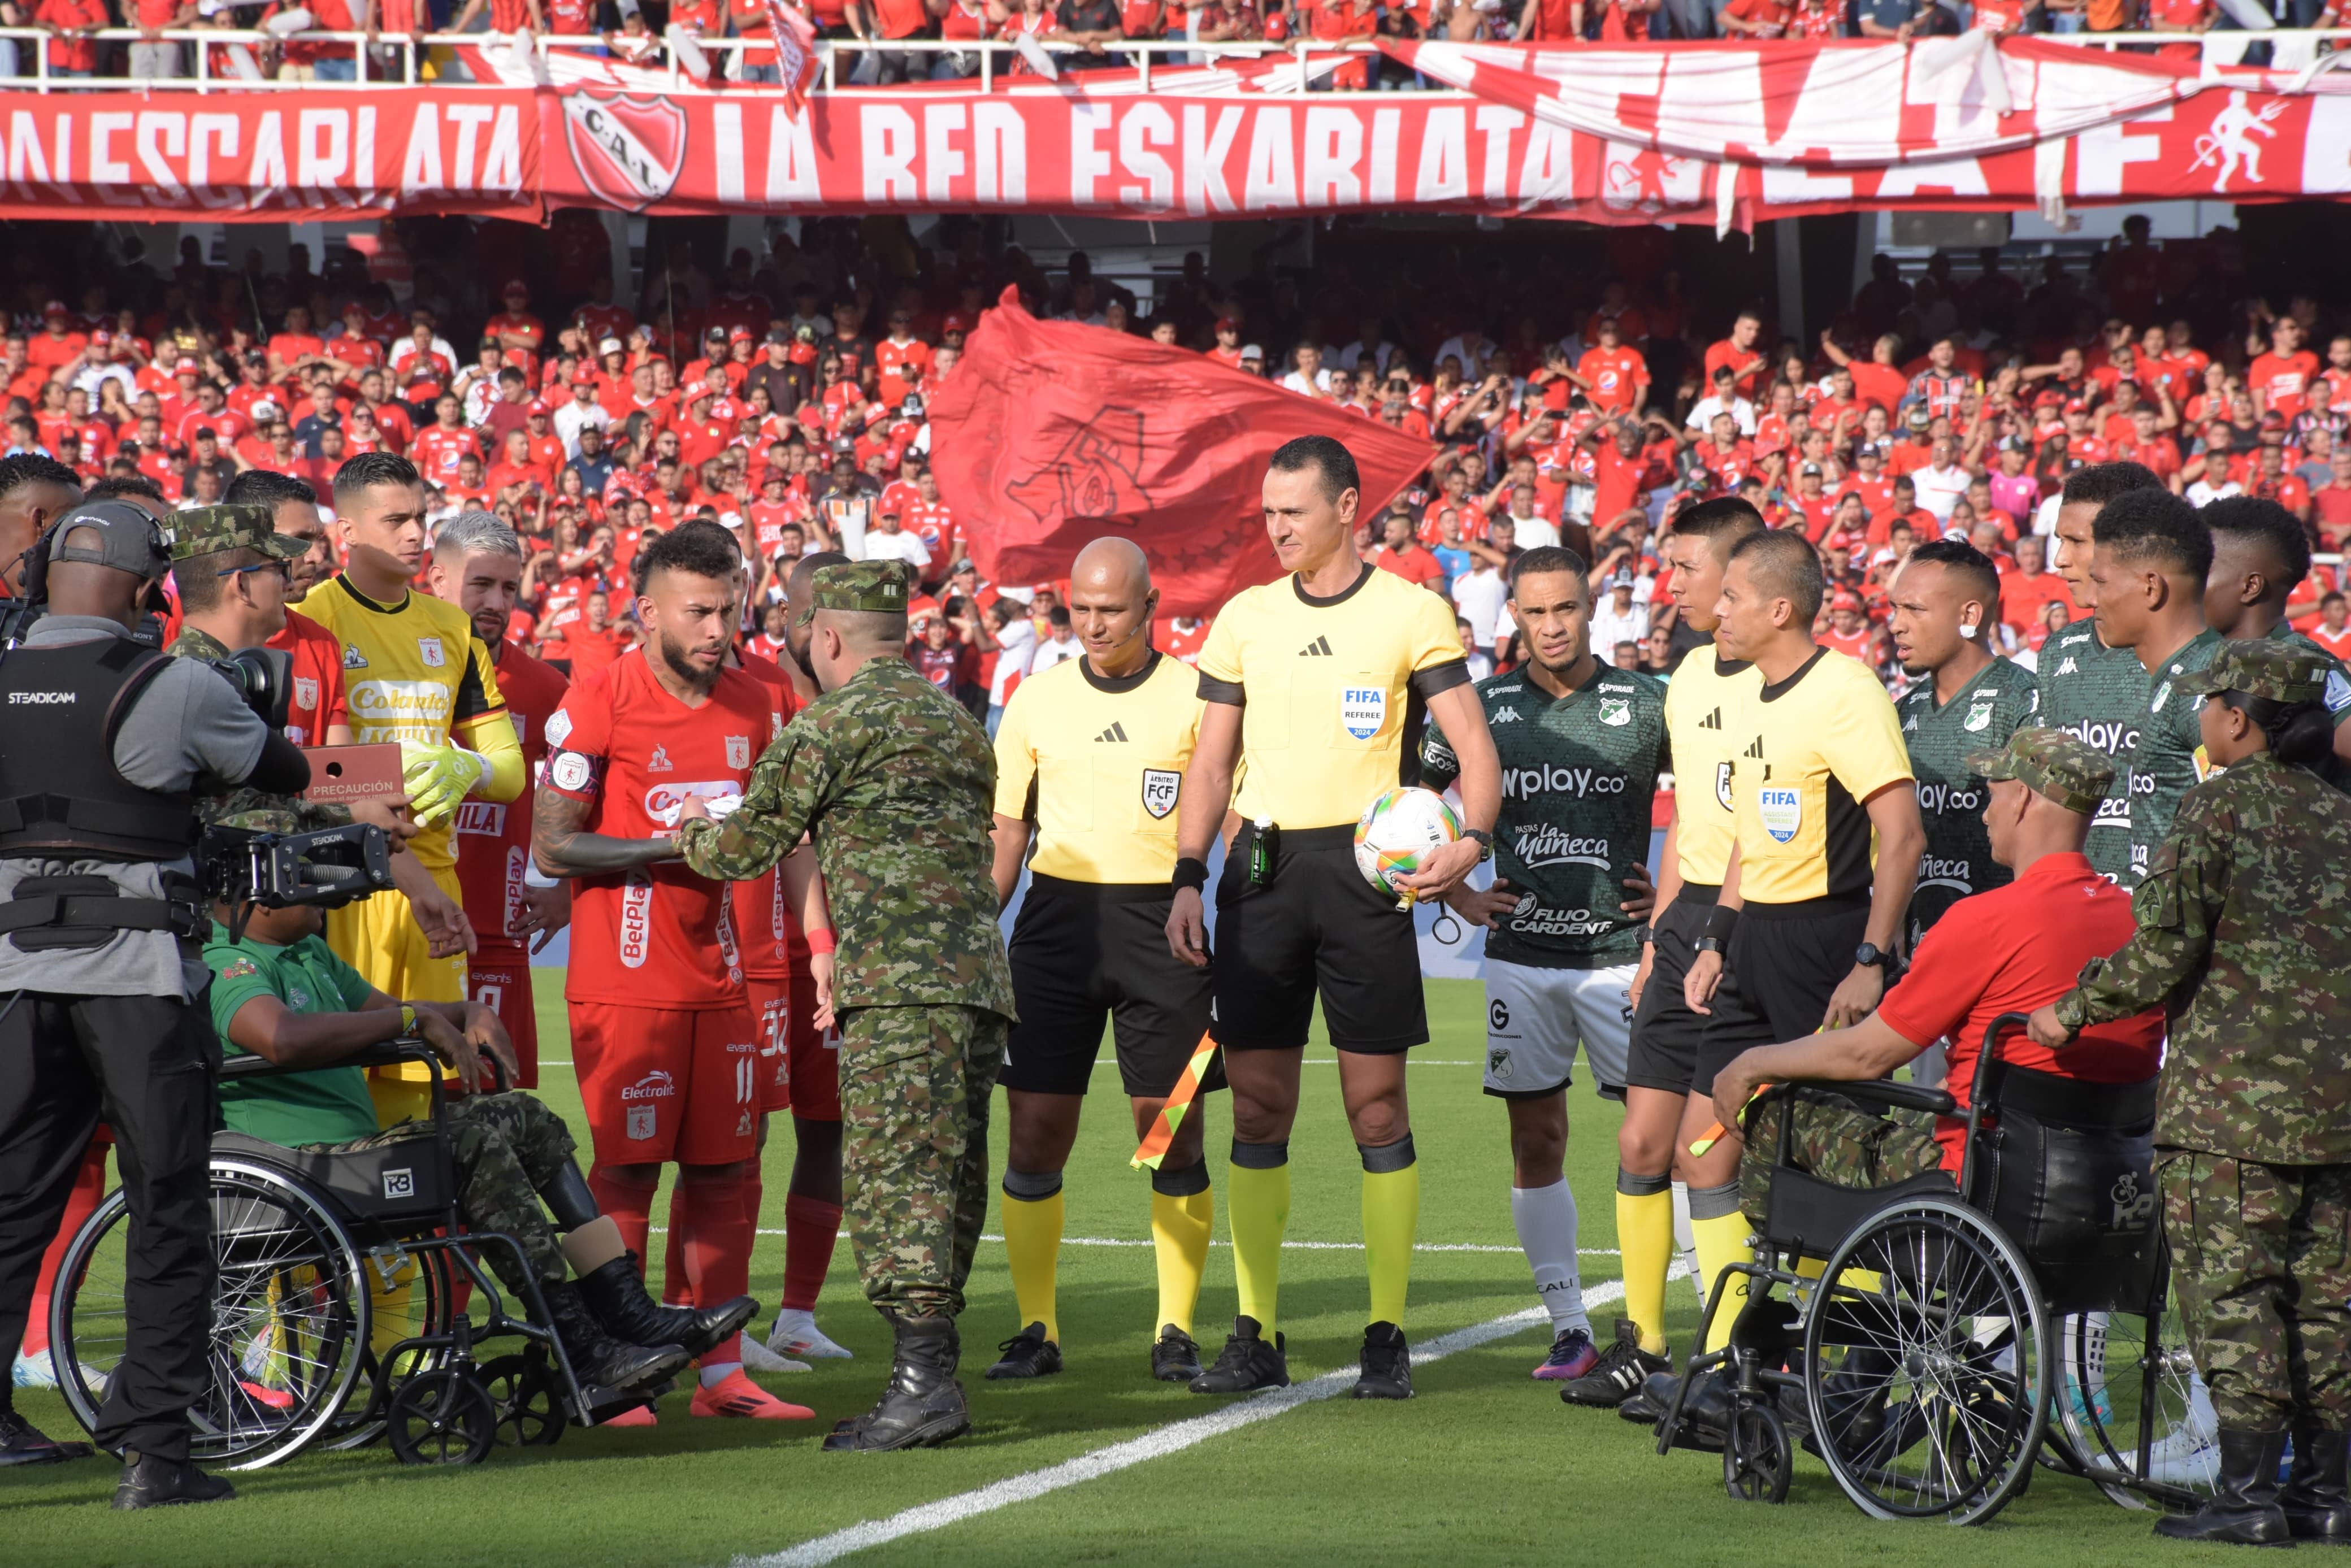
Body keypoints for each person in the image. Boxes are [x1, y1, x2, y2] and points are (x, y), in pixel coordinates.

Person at [1164, 435, 1502, 1400]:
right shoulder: (1246, 618)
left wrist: (1471, 842)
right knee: (1258, 1106)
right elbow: (1209, 764)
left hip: (1365, 881)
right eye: (1269, 513)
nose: (1277, 528)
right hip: (1262, 876)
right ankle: (1255, 1331)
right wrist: (1187, 875)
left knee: (1378, 1107)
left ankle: (1386, 1333)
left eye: (1294, 511)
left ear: (1349, 508)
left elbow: (1476, 747)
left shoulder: (1411, 611)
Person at [0, 500, 310, 1503]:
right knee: (170, 1206)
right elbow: (283, 768)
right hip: (135, 978)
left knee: (9, 1204)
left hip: (13, 975)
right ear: (147, 593)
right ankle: (155, 1451)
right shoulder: (169, 683)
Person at [675, 560, 1016, 1453]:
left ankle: (922, 1386)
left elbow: (743, 846)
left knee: (898, 1182)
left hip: (899, 988)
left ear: (826, 635)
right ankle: (931, 1377)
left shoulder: (832, 722)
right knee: (950, 1180)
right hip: (979, 983)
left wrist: (687, 821)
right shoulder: (958, 721)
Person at [203, 878, 756, 1404]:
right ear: (258, 896)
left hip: (343, 1161)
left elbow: (391, 1012)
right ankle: (579, 1341)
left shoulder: (307, 953)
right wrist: (413, 1019)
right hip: (297, 1169)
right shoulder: (225, 961)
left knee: (525, 1116)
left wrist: (471, 1011)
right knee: (471, 1144)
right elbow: (280, 1037)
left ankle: (625, 1307)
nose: (325, 893)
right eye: (303, 880)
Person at [2029, 642, 2351, 1547]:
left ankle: (2246, 1496)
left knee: (2237, 1294)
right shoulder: (2341, 812)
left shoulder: (2218, 804)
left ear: (2238, 718)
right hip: (2338, 1108)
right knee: (2325, 1302)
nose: (2200, 714)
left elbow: (2166, 945)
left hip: (2233, 1107)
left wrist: (2071, 1009)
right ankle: (2326, 1493)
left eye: (2210, 701)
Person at [1707, 727, 2161, 1283]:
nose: (1985, 813)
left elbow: (1867, 1056)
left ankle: (1800, 1306)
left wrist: (1752, 1063)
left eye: (1992, 794)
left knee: (1779, 1109)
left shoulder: (1983, 920)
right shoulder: (2138, 924)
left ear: (2021, 797)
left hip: (1982, 1187)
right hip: (2104, 1186)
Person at [534, 525, 809, 1424]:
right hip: (625, 980)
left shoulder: (758, 700)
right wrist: (672, 841)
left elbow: (787, 833)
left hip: (724, 976)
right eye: (698, 611)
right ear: (647, 611)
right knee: (626, 1172)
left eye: (729, 609)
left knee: (726, 1169)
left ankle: (721, 1375)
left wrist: (818, 936)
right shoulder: (599, 697)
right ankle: (619, 1366)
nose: (718, 629)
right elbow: (555, 843)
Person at [1657, 527, 1925, 1425]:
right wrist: (1717, 937)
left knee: (1828, 1161)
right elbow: (1749, 836)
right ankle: (1736, 1358)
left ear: (1780, 607)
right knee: (1705, 1146)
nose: (1718, 609)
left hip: (1826, 942)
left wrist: (1871, 958)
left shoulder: (1845, 690)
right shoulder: (1750, 692)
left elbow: (1904, 834)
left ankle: (1844, 1368)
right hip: (1754, 943)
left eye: (1733, 595)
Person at [1424, 547, 1663, 1383]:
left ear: (1592, 607)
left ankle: (1660, 1332)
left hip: (1622, 958)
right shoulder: (1481, 708)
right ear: (1513, 617)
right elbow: (1405, 805)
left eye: (1565, 608)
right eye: (1535, 612)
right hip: (1521, 958)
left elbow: (1720, 798)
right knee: (1536, 1140)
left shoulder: (1648, 703)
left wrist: (1676, 895)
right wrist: (1456, 892)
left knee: (1658, 1140)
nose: (1551, 626)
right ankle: (1570, 1328)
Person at [984, 538, 1219, 1385]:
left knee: (1170, 1133)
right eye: (1080, 608)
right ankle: (1036, 1327)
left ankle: (1174, 1328)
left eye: (1111, 609)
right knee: (1034, 1132)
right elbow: (1008, 830)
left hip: (1163, 928)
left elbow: (1227, 810)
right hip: (1054, 929)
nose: (1094, 623)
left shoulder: (1197, 695)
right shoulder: (1036, 699)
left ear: (1150, 605)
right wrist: (978, 926)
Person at [1559, 497, 1761, 1410]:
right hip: (1682, 928)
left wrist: (1719, 928)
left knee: (1707, 1151)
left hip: (1750, 925)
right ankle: (1642, 1343)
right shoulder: (1688, 675)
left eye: (1686, 567)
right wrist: (1655, 940)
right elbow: (1690, 820)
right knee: (1642, 1139)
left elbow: (1766, 828)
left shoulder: (1788, 683)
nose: (1669, 582)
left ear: (1738, 572)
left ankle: (1727, 1358)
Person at [300, 453, 526, 1126]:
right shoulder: (313, 619)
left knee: (422, 1090)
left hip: (434, 880)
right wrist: (382, 779)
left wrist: (468, 768)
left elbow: (511, 772)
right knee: (342, 1087)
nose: (414, 533)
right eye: (395, 519)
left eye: (420, 517)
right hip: (342, 883)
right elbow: (301, 764)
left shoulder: (452, 629)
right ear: (346, 532)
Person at [744, 550, 857, 1370]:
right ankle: (724, 1316)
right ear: (785, 615)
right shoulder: (748, 690)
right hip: (756, 945)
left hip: (834, 947)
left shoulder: (864, 699)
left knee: (829, 1126)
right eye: (814, 612)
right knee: (739, 1133)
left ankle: (797, 1316)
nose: (826, 630)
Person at [424, 512, 572, 1089]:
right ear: (437, 579)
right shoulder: (394, 672)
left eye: (508, 588)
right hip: (409, 925)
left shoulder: (545, 688)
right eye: (481, 584)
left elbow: (593, 793)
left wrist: (565, 886)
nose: (496, 602)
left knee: (494, 1107)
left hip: (496, 934)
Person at [1886, 539, 2038, 953]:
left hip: (2000, 950)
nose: (1896, 625)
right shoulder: (1903, 710)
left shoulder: (2026, 701)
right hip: (1914, 957)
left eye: (1914, 609)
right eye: (1896, 608)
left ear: (1969, 615)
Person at [2033, 461, 2168, 883]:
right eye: (2060, 541)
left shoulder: (2193, 656)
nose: (2059, 560)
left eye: (2076, 541)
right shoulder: (2057, 651)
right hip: (2075, 903)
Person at [2085, 489, 2220, 890]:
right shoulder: (2176, 674)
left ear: (2151, 587)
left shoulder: (2209, 682)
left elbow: (2245, 836)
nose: (2091, 599)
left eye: (2101, 583)